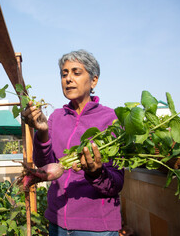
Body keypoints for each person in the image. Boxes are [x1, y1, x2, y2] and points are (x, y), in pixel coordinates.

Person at [22, 49, 124, 235]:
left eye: (76, 73)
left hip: (96, 227)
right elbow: (45, 165)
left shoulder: (111, 119)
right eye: (64, 74)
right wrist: (42, 132)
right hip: (58, 221)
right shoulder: (56, 117)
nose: (68, 79)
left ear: (94, 80)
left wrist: (96, 173)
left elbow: (116, 183)